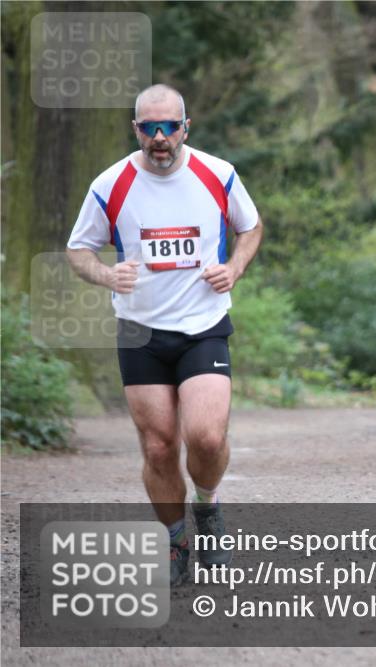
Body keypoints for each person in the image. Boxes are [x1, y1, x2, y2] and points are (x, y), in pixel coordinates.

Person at [66, 84, 262, 586]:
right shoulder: (110, 185)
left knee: (206, 435)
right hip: (140, 331)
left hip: (203, 325)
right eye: (149, 127)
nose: (159, 137)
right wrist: (108, 276)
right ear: (136, 129)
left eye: (168, 126)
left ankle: (208, 507)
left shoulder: (217, 174)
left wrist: (234, 268)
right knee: (158, 447)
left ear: (185, 127)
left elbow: (251, 227)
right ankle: (176, 542)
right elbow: (78, 250)